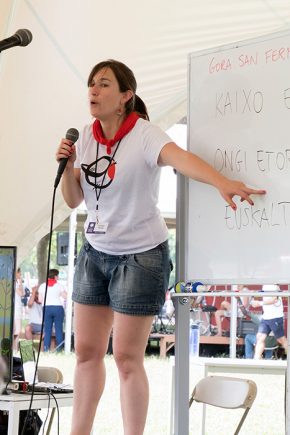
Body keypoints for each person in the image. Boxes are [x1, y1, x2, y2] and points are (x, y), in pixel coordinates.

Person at [55, 59, 266, 435]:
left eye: (103, 84)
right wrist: (67, 165)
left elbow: (181, 160)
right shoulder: (85, 136)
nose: (93, 90)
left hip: (139, 257)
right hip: (95, 254)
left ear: (125, 97)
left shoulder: (145, 134)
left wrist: (220, 182)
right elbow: (74, 201)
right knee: (86, 353)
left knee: (127, 358)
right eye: (91, 84)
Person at [251, 284, 287, 359]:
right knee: (260, 337)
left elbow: (274, 299)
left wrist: (259, 303)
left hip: (276, 317)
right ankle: (256, 360)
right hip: (266, 317)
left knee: (281, 339)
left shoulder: (275, 285)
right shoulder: (265, 284)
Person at [38, 269, 67, 352]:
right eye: (57, 276)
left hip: (46, 308)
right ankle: (59, 350)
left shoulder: (42, 286)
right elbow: (65, 297)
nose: (58, 277)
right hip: (58, 308)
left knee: (47, 330)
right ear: (55, 276)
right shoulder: (59, 286)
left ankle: (46, 349)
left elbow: (40, 300)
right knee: (59, 329)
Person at [13, 267, 25, 350]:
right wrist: (20, 283)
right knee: (17, 330)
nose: (20, 275)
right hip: (16, 309)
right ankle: (15, 348)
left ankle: (14, 348)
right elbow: (21, 293)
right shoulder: (15, 283)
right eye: (19, 273)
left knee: (15, 329)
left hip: (16, 308)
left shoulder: (16, 283)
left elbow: (23, 293)